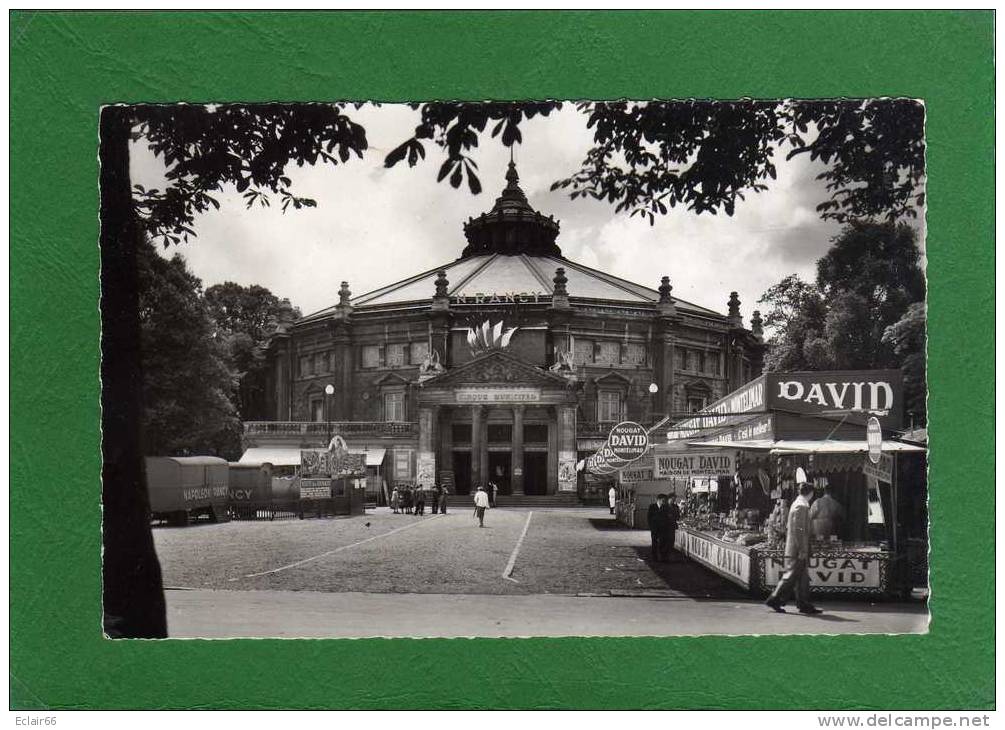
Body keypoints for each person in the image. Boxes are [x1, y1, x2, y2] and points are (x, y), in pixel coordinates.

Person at [766, 482, 822, 614]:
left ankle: (803, 603)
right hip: (797, 550)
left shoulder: (798, 504)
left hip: (794, 548)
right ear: (811, 493)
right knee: (790, 576)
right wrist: (803, 549)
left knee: (802, 578)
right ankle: (774, 599)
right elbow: (799, 530)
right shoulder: (801, 507)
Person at [661, 493, 682, 561]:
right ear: (669, 499)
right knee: (665, 541)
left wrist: (674, 517)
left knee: (671, 541)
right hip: (665, 527)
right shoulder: (664, 506)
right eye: (672, 499)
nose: (673, 501)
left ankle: (669, 555)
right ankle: (663, 556)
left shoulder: (676, 507)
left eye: (674, 499)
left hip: (672, 526)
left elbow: (678, 516)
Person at [647, 494, 667, 561]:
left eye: (665, 501)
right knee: (654, 542)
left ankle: (662, 557)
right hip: (654, 528)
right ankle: (654, 557)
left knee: (662, 542)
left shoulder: (665, 507)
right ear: (659, 500)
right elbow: (649, 517)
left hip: (663, 528)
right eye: (663, 500)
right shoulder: (652, 507)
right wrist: (651, 526)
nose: (664, 502)